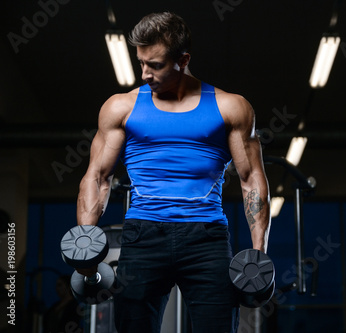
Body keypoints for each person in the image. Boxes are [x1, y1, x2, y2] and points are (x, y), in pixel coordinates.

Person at [75, 11, 270, 333]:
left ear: (183, 59)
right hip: (142, 235)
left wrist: (258, 253)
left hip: (206, 236)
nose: (145, 73)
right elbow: (97, 176)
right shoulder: (121, 106)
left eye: (155, 65)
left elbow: (251, 179)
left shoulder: (230, 106)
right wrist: (85, 241)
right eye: (141, 63)